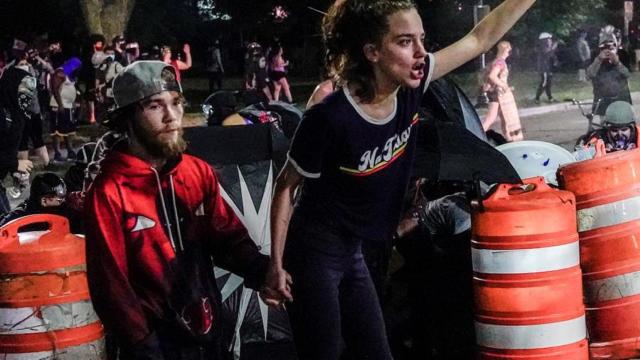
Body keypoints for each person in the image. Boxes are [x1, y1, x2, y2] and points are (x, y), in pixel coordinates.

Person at [262, 1, 537, 359]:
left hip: (354, 249)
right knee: (326, 352)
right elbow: (286, 186)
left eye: (422, 39)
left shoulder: (412, 88)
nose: (422, 53)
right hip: (314, 252)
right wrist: (275, 266)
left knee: (377, 353)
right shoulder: (330, 118)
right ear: (372, 51)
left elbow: (480, 38)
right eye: (406, 41)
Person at [84, 60, 270, 359]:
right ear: (127, 118)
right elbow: (111, 287)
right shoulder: (110, 192)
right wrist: (144, 345)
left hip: (209, 337)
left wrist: (263, 271)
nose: (172, 117)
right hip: (151, 346)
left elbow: (225, 238)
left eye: (176, 103)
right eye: (155, 106)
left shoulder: (196, 172)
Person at [0, 65, 35, 213]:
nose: (27, 94)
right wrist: (14, 163)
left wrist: (12, 169)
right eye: (23, 88)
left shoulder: (14, 113)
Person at [0, 173, 73, 231]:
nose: (63, 201)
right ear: (44, 201)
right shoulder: (18, 217)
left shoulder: (64, 209)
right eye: (59, 199)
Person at [482, 41, 522, 141]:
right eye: (508, 51)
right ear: (504, 50)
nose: (508, 54)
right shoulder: (500, 62)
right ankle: (477, 137)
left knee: (506, 118)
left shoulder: (496, 61)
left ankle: (510, 139)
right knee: (491, 118)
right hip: (497, 94)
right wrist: (503, 86)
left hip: (498, 93)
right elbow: (492, 76)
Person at [587, 34, 631, 116]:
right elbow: (590, 74)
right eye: (605, 47)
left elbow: (627, 74)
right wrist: (599, 60)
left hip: (621, 98)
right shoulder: (595, 55)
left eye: (612, 46)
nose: (608, 50)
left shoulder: (623, 54)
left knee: (622, 124)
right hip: (602, 98)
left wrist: (617, 63)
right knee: (605, 124)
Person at [49, 57, 81, 162]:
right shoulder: (59, 73)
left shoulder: (69, 74)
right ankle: (57, 154)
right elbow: (55, 89)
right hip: (58, 106)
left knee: (69, 130)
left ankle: (70, 151)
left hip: (68, 106)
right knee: (58, 131)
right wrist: (60, 104)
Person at [534, 32, 558, 104]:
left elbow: (551, 56)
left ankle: (550, 98)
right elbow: (547, 54)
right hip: (544, 69)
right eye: (548, 39)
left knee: (548, 83)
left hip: (548, 68)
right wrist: (553, 48)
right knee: (544, 83)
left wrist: (555, 61)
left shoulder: (548, 48)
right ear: (544, 40)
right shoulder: (542, 48)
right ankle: (537, 98)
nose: (550, 40)